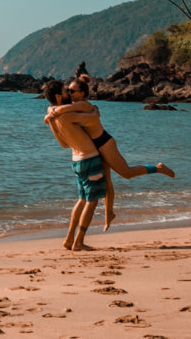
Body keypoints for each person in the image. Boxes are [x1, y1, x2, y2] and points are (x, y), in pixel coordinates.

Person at [44, 74, 176, 237]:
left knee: (126, 173)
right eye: (68, 90)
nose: (69, 93)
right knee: (107, 182)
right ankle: (109, 214)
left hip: (104, 143)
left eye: (72, 90)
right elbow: (59, 112)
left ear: (82, 93)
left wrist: (53, 112)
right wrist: (51, 111)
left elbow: (74, 112)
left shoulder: (84, 105)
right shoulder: (71, 105)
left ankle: (157, 168)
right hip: (93, 149)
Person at [41, 79, 106, 250]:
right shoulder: (65, 114)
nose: (68, 94)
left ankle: (69, 239)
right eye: (65, 91)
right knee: (92, 202)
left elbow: (63, 144)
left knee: (81, 200)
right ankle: (79, 241)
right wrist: (96, 111)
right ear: (58, 96)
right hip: (90, 159)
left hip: (76, 161)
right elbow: (89, 111)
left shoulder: (53, 118)